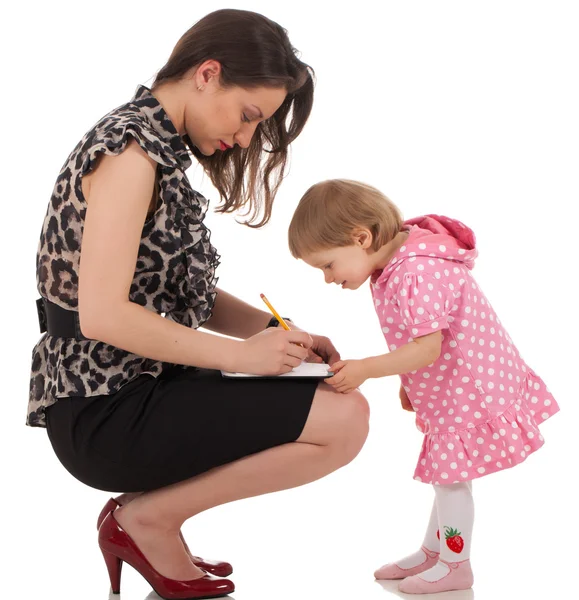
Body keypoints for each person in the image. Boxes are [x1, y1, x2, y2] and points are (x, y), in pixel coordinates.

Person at [28, 11, 370, 600]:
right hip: (105, 406)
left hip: (147, 384)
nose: (243, 138)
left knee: (344, 406)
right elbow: (103, 315)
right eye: (248, 116)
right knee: (342, 420)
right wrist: (249, 357)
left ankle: (145, 519)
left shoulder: (156, 149)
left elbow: (182, 295)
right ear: (207, 73)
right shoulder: (130, 152)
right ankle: (146, 520)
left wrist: (275, 330)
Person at [288, 179, 559, 594]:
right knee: (447, 476)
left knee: (450, 478)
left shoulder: (416, 271)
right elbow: (418, 342)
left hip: (468, 384)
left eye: (327, 265)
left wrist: (368, 369)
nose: (327, 279)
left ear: (361, 238)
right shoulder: (398, 265)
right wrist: (409, 382)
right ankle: (435, 552)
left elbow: (427, 348)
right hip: (454, 382)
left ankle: (456, 564)